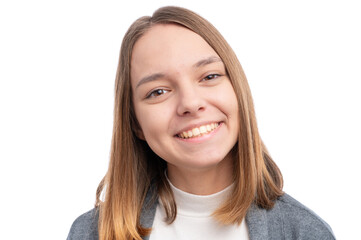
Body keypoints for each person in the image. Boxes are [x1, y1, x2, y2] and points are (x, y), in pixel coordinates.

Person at [67, 6, 335, 240]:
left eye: (209, 76)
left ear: (238, 91)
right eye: (158, 91)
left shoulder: (305, 232)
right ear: (135, 123)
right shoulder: (90, 234)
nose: (191, 103)